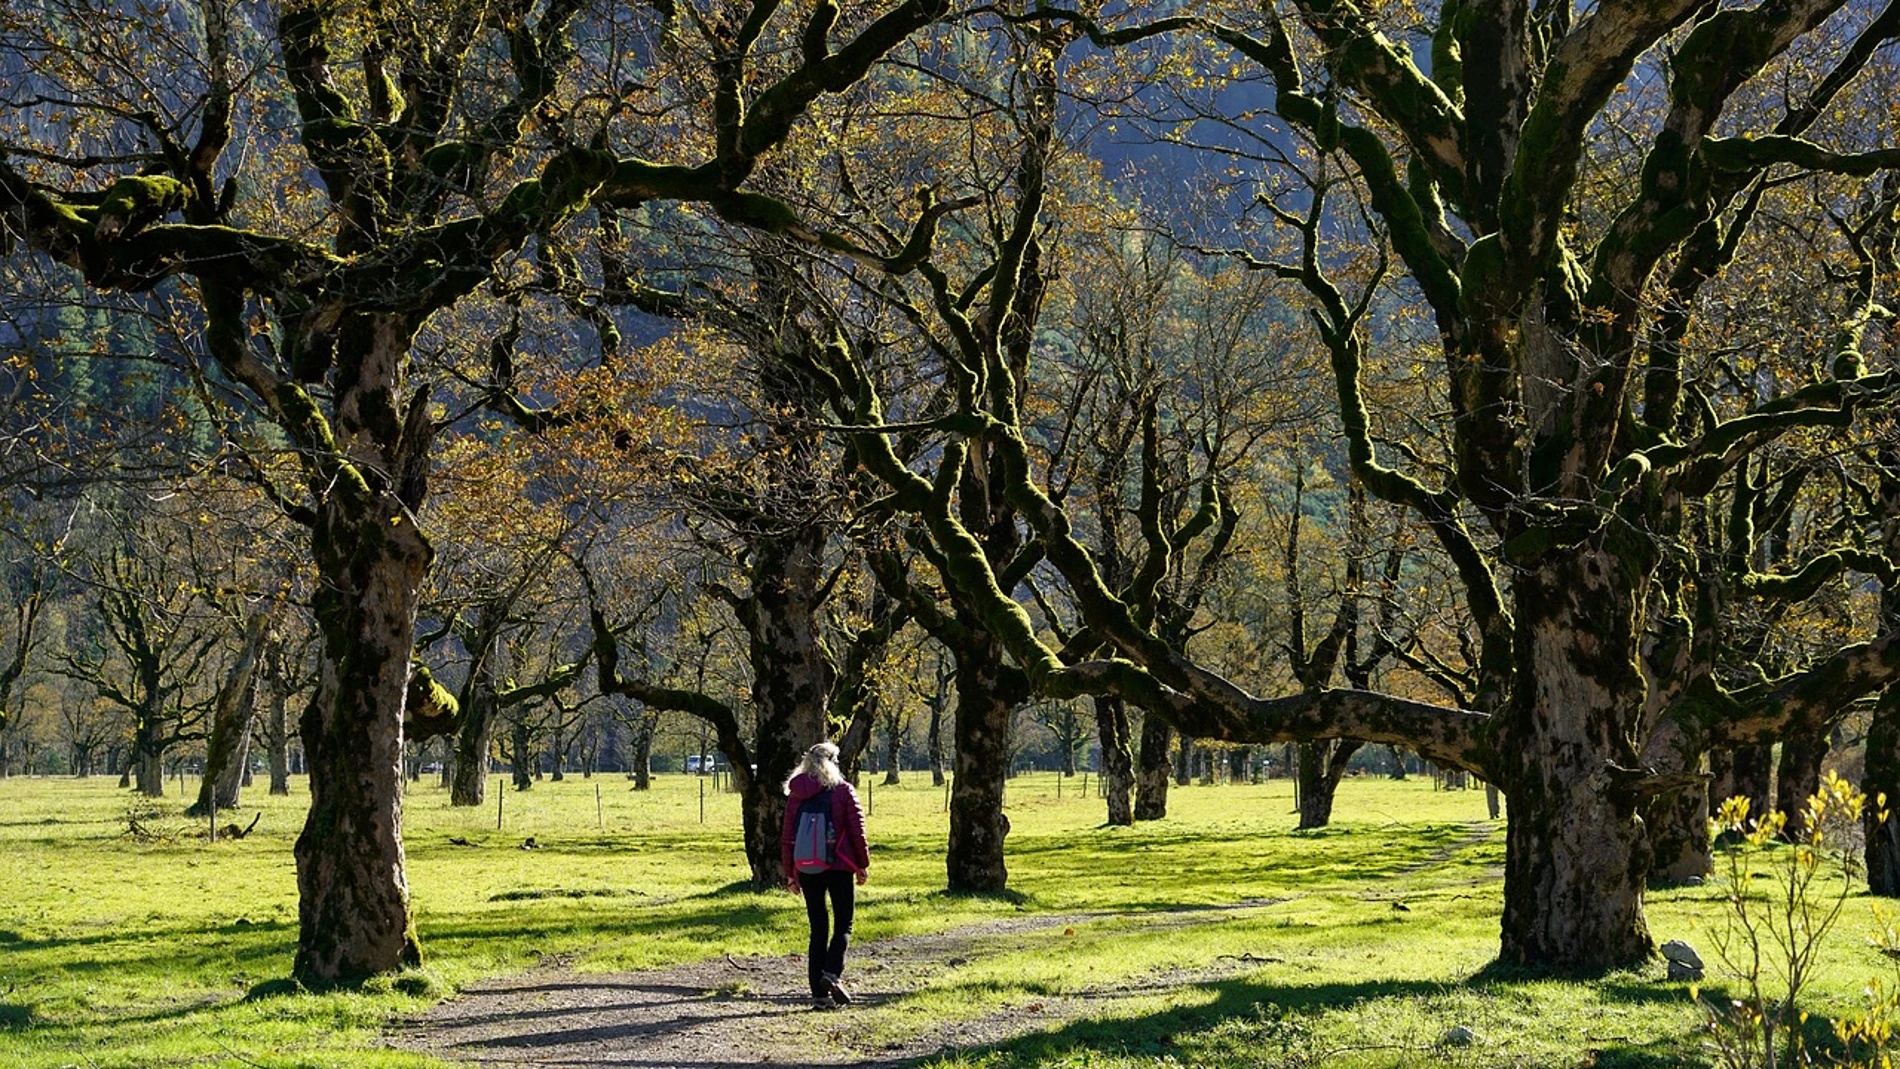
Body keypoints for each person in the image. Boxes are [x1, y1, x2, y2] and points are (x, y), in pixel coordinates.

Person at [781, 741, 869, 1010]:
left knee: (818, 928)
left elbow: (788, 836)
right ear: (833, 762)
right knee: (844, 923)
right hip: (840, 866)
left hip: (807, 868)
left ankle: (818, 996)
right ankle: (831, 973)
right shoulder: (843, 791)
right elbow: (857, 830)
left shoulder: (796, 794)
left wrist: (790, 874)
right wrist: (862, 864)